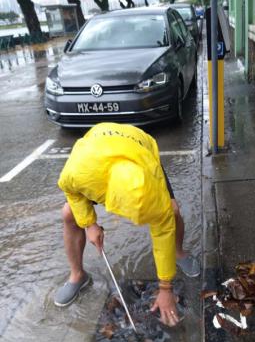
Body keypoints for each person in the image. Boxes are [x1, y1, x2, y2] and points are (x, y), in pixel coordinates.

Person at [54, 123, 200, 327]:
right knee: (69, 214)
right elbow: (70, 191)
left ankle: (178, 253)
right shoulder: (80, 174)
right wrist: (90, 224)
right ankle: (78, 275)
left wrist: (165, 288)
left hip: (140, 150)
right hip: (97, 159)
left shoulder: (152, 173)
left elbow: (162, 230)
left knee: (172, 212)